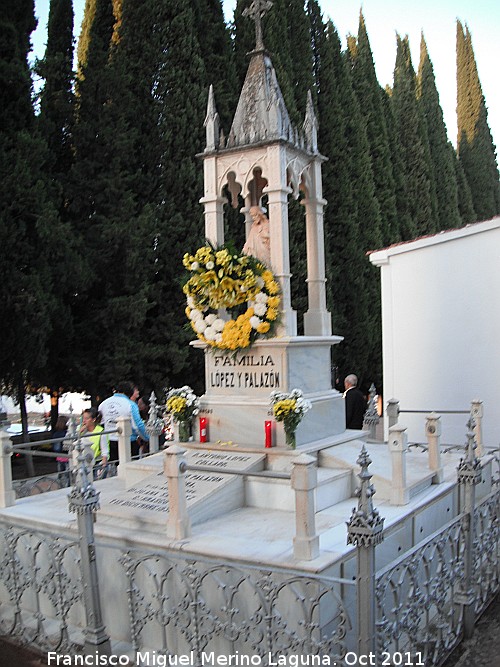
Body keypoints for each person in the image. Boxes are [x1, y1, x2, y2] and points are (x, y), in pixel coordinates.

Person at [98, 381, 149, 462]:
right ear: (129, 391)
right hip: (128, 442)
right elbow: (137, 426)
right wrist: (147, 438)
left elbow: (101, 422)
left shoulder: (103, 404)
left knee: (115, 468)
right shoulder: (130, 405)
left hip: (110, 441)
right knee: (130, 468)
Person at [80, 408, 109, 479]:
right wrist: (79, 433)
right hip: (82, 463)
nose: (84, 420)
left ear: (93, 419)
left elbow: (104, 451)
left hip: (96, 463)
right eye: (83, 418)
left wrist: (103, 466)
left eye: (87, 418)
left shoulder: (100, 431)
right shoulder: (80, 429)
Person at [52, 415, 69, 486]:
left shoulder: (55, 434)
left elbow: (55, 447)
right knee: (68, 474)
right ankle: (68, 485)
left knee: (61, 472)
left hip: (59, 456)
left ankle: (60, 485)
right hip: (67, 456)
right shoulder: (67, 433)